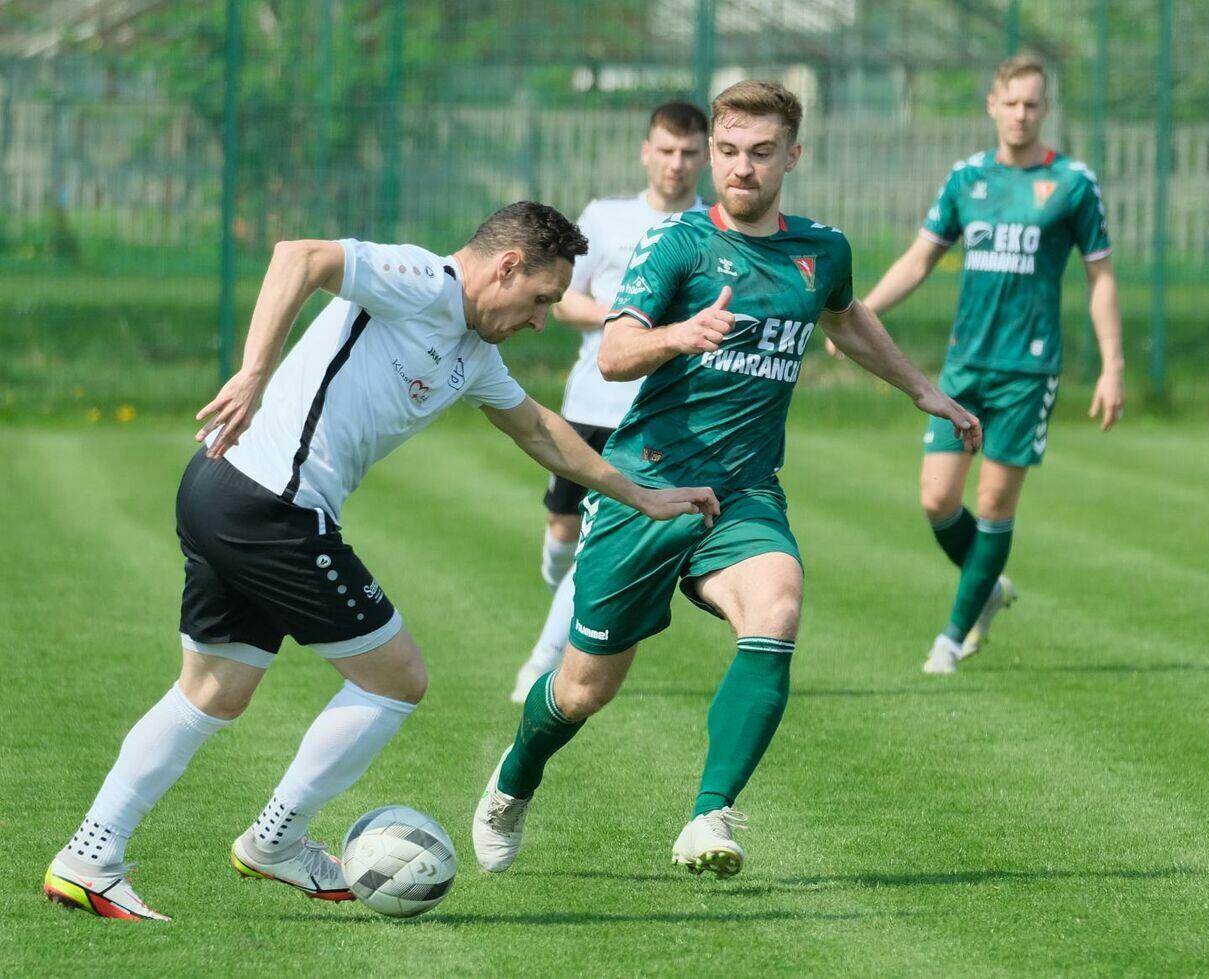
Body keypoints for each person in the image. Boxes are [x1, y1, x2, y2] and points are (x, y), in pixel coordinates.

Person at [43, 201, 719, 921]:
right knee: (397, 678)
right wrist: (252, 373)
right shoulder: (423, 281)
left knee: (212, 691)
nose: (540, 321)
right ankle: (276, 839)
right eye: (540, 299)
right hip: (271, 506)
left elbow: (539, 430)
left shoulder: (473, 353)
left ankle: (89, 858)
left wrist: (641, 496)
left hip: (228, 494)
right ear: (506, 267)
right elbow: (298, 256)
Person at [471, 82, 981, 880]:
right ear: (714, 153)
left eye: (762, 153)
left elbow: (846, 316)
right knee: (583, 690)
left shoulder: (823, 250)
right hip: (647, 486)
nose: (743, 168)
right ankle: (514, 779)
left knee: (778, 603)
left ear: (792, 156)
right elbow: (614, 354)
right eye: (730, 151)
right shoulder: (677, 244)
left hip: (743, 490)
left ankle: (709, 813)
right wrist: (682, 334)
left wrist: (923, 389)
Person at [828, 54, 1124, 675]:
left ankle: (950, 639)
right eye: (1011, 102)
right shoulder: (967, 178)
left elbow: (1100, 277)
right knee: (937, 498)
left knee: (992, 502)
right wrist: (856, 315)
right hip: (965, 367)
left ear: (1046, 110)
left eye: (1032, 104)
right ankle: (986, 587)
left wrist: (1113, 365)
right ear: (992, 105)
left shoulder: (1072, 182)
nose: (1021, 114)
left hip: (1027, 371)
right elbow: (918, 260)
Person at [513, 101, 709, 703]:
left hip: (653, 417)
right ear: (646, 152)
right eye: (666, 150)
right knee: (562, 537)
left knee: (594, 547)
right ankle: (562, 593)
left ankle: (541, 664)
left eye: (689, 153)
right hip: (589, 404)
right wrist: (629, 321)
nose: (676, 163)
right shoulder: (606, 217)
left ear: (704, 157)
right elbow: (561, 300)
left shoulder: (713, 227)